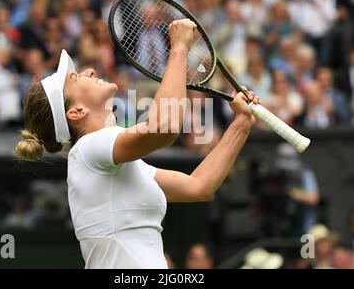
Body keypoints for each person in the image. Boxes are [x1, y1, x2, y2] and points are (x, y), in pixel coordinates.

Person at [15, 19, 260, 269]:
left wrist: (241, 124)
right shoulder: (88, 149)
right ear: (76, 111)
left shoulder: (117, 161)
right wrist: (178, 49)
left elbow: (199, 187)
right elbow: (165, 128)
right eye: (76, 78)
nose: (89, 71)